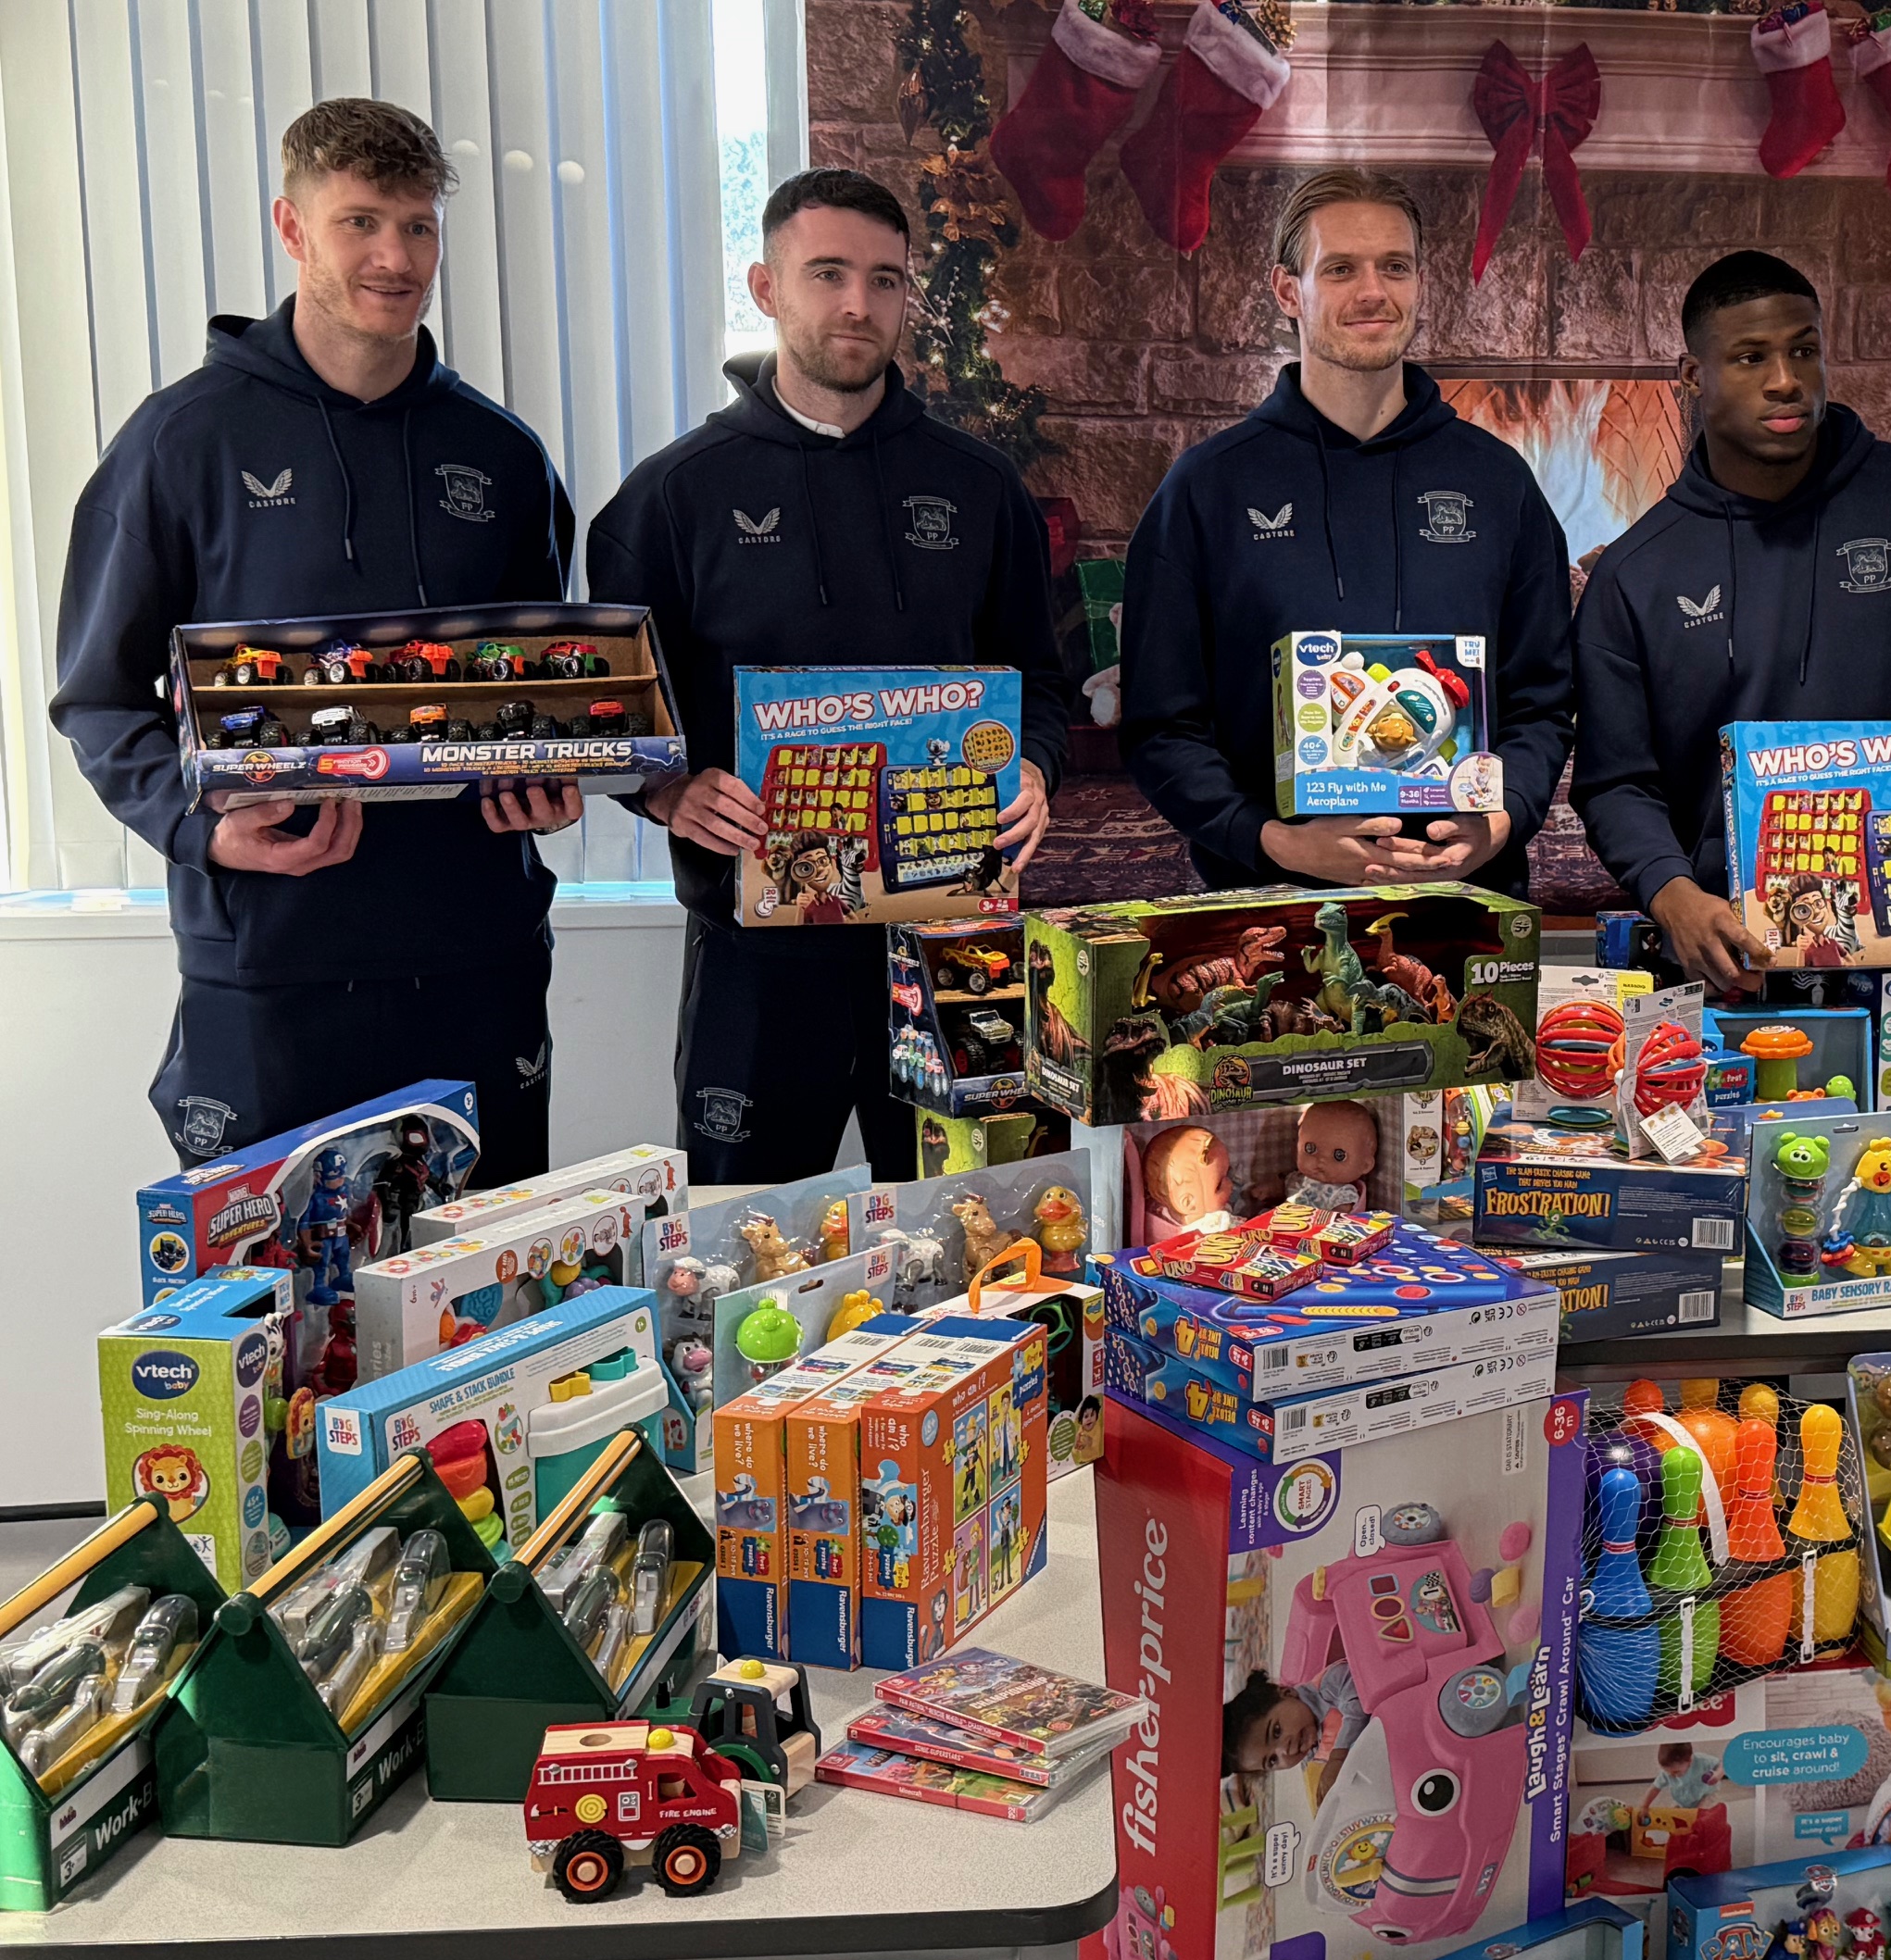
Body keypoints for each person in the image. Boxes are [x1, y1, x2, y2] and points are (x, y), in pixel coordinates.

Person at [51, 99, 578, 1180]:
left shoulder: (505, 456)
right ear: (292, 230)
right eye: (362, 223)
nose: (397, 257)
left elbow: (540, 692)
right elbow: (99, 699)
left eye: (420, 227)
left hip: (476, 956)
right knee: (264, 1323)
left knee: (493, 1314)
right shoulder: (179, 442)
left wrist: (552, 777)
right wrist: (203, 824)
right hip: (270, 964)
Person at [591, 168, 1069, 1184]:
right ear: (767, 287)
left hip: (951, 937)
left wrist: (1033, 768)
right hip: (760, 954)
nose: (859, 304)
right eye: (828, 274)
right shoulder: (669, 498)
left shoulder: (980, 489)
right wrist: (667, 791)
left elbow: (1043, 679)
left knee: (980, 1228)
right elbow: (622, 719)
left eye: (886, 281)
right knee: (740, 1245)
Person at [1571, 251, 1891, 994]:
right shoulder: (1635, 574)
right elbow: (1615, 782)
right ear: (1692, 376)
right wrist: (1673, 896)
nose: (1785, 379)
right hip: (1735, 967)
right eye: (1750, 356)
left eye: (1804, 349)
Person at [1121, 167, 1572, 894]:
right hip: (1265, 909)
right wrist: (1273, 842)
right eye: (1339, 269)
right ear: (1285, 291)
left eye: (1395, 266)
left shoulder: (1498, 484)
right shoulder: (1206, 488)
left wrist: (1500, 821)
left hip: (1465, 903)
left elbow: (1544, 705)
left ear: (1420, 283)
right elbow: (1160, 727)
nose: (1373, 292)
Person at [1224, 1663, 1366, 1805]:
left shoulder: (1329, 1685)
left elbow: (1363, 1694)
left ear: (1287, 1693)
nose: (1285, 1750)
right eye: (1273, 1760)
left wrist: (1338, 1757)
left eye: (1277, 1731)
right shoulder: (1312, 1758)